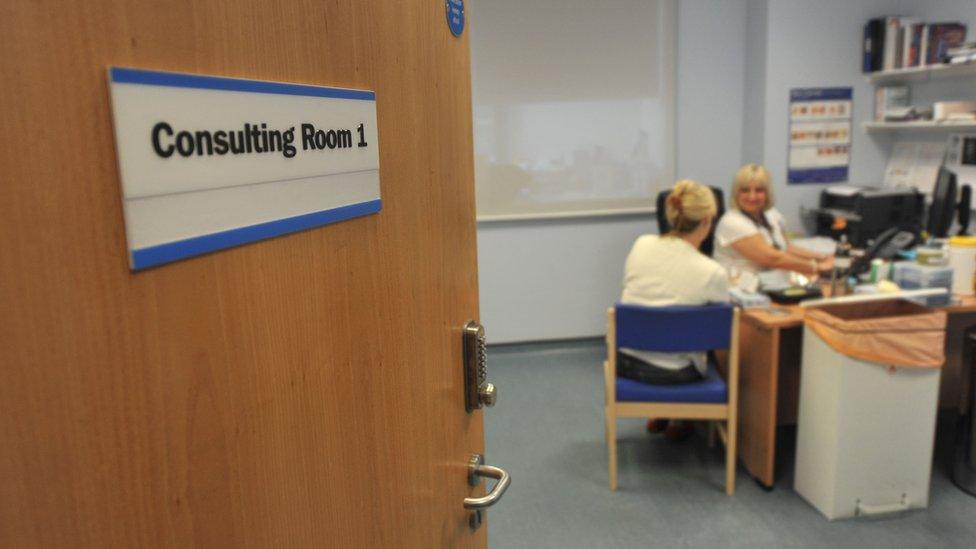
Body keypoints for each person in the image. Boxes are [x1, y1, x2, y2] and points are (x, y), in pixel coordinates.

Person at [619, 180, 729, 387]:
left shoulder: (641, 244)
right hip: (674, 372)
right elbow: (720, 331)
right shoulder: (712, 272)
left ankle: (665, 418)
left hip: (625, 362)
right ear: (707, 221)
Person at [714, 164, 832, 289]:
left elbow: (785, 247)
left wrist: (822, 257)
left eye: (759, 190)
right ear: (736, 193)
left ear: (767, 192)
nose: (752, 196)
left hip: (768, 282)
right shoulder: (732, 222)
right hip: (739, 288)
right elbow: (772, 258)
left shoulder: (770, 214)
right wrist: (817, 267)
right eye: (745, 190)